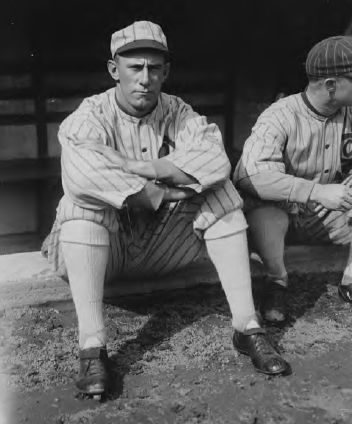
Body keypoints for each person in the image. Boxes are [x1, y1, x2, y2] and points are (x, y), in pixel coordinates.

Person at [44, 20, 290, 396]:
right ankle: (92, 349)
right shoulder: (90, 114)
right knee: (79, 206)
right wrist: (155, 192)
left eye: (154, 68)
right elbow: (80, 174)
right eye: (135, 67)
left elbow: (215, 160)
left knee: (220, 192)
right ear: (115, 70)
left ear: (165, 72)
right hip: (104, 254)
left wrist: (146, 169)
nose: (145, 78)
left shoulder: (179, 112)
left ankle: (247, 327)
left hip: (162, 247)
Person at [234, 35, 352, 325]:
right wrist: (314, 191)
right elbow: (251, 177)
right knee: (265, 211)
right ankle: (277, 282)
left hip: (326, 216)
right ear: (331, 86)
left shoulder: (349, 111)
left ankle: (349, 280)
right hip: (280, 215)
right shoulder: (280, 115)